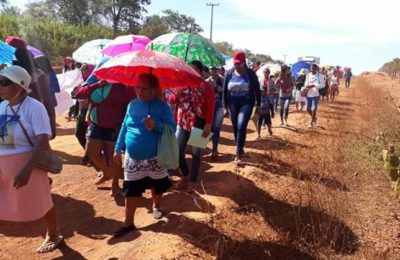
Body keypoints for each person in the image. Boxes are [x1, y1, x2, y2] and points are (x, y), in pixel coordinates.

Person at [0, 65, 62, 253]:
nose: (0, 86)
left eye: (4, 82)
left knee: (43, 200)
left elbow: (42, 139)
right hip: (5, 164)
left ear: (20, 85)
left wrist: (27, 170)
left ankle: (53, 234)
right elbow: (4, 140)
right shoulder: (2, 106)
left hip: (29, 164)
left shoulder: (34, 107)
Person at [113, 73, 176, 237]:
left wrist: (156, 125)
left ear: (154, 89)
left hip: (155, 158)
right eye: (137, 87)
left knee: (156, 185)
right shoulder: (132, 104)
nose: (139, 91)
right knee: (131, 190)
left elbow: (171, 130)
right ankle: (128, 223)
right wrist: (118, 148)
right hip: (132, 159)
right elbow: (124, 127)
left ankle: (156, 206)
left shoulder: (162, 107)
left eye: (144, 88)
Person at [73, 79, 136, 196]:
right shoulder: (96, 81)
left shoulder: (121, 85)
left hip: (114, 126)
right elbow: (78, 93)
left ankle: (115, 182)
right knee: (91, 151)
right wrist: (97, 84)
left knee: (113, 155)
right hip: (96, 124)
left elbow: (133, 100)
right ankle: (107, 173)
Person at [169, 60, 215, 190]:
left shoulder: (206, 86)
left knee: (197, 153)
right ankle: (185, 175)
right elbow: (171, 100)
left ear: (200, 72)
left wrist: (208, 124)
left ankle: (193, 180)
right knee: (176, 150)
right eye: (189, 69)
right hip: (182, 122)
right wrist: (178, 92)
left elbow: (210, 106)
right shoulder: (181, 83)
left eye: (194, 69)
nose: (191, 71)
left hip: (200, 124)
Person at [7, 36, 57, 139]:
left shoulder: (9, 75)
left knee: (15, 148)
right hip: (35, 121)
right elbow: (47, 101)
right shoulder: (38, 73)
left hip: (15, 121)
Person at [224, 51, 261, 162]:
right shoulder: (229, 74)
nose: (237, 66)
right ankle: (240, 147)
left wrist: (258, 104)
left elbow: (257, 90)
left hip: (246, 103)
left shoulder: (250, 74)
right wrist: (225, 107)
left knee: (241, 125)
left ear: (244, 63)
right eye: (235, 64)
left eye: (239, 64)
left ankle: (238, 152)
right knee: (236, 126)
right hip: (233, 103)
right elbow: (225, 92)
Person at [73, 63, 95, 165]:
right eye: (82, 70)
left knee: (90, 136)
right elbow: (76, 96)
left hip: (92, 111)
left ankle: (90, 156)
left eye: (86, 69)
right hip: (82, 112)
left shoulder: (96, 82)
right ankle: (90, 154)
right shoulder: (80, 82)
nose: (84, 71)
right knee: (79, 133)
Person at [206, 66, 225, 161]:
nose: (213, 70)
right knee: (206, 127)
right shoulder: (207, 81)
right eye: (211, 69)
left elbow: (225, 94)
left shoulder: (223, 80)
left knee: (216, 129)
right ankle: (198, 152)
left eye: (215, 69)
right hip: (208, 107)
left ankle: (214, 150)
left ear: (217, 70)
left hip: (219, 106)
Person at [303, 63, 325, 128]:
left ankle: (311, 123)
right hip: (308, 94)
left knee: (314, 109)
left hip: (316, 94)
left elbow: (323, 85)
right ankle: (314, 118)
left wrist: (314, 85)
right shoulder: (308, 75)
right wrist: (307, 85)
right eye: (311, 68)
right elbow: (305, 83)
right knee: (307, 109)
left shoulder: (320, 75)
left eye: (313, 68)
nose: (312, 69)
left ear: (316, 69)